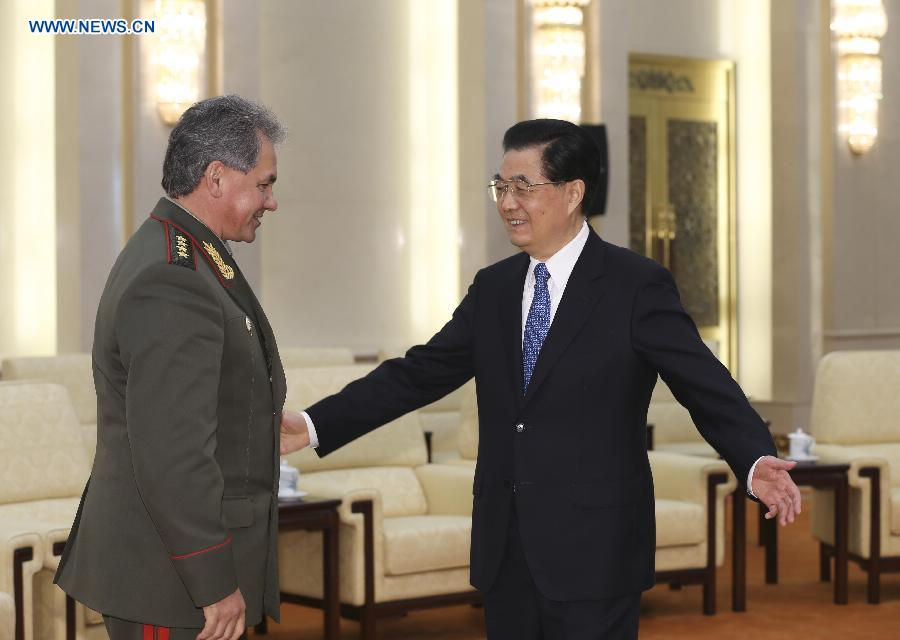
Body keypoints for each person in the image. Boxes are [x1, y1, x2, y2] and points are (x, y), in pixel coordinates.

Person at [280, 118, 802, 639]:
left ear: (573, 192)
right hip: (506, 549)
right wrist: (314, 424)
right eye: (501, 187)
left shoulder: (634, 286)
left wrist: (752, 457)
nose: (508, 202)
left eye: (524, 188)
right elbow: (418, 372)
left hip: (595, 549)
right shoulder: (495, 288)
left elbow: (704, 384)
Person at [55, 95, 287, 640]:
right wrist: (210, 579)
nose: (271, 202)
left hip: (171, 572)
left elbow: (203, 400)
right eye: (265, 183)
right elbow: (172, 451)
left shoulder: (192, 255)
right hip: (169, 581)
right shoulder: (174, 275)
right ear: (217, 177)